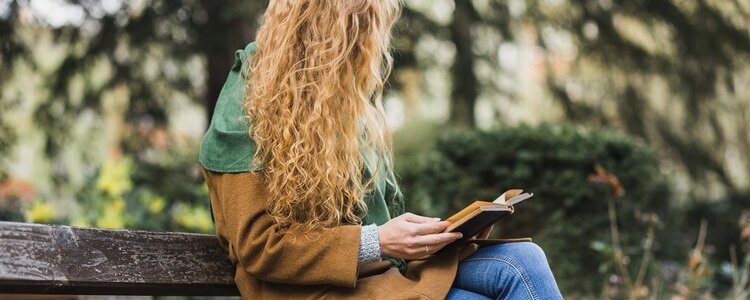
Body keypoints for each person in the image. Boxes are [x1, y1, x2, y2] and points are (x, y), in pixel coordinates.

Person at [199, 0, 563, 299]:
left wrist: (435, 233)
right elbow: (259, 247)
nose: (368, 51)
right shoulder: (248, 98)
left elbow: (375, 225)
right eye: (355, 36)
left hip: (378, 272)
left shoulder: (337, 104)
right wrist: (379, 240)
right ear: (318, 35)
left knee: (523, 260)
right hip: (311, 290)